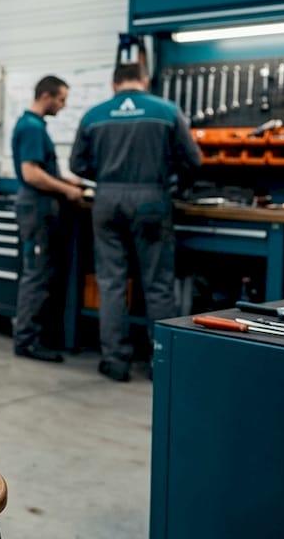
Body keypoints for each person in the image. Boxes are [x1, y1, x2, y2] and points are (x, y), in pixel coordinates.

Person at [70, 63, 202, 382]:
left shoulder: (93, 115)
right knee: (157, 283)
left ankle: (115, 361)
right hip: (152, 199)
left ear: (114, 84)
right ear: (144, 81)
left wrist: (107, 178)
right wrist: (173, 182)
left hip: (107, 199)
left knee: (112, 282)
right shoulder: (166, 111)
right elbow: (193, 160)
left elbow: (77, 164)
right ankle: (161, 362)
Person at [10, 75, 84, 363]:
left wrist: (65, 180)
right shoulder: (31, 127)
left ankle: (37, 336)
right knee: (36, 275)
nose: (63, 106)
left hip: (40, 208)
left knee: (41, 273)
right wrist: (66, 189)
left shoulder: (35, 126)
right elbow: (31, 173)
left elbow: (40, 169)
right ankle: (27, 341)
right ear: (46, 96)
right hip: (36, 209)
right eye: (61, 99)